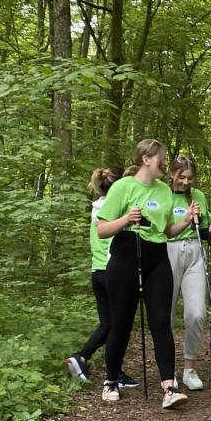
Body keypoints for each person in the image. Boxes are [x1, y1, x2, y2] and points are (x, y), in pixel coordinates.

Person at [96, 139, 192, 409]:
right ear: (146, 158)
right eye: (161, 157)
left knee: (161, 321)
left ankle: (168, 388)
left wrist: (184, 222)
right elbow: (102, 230)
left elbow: (166, 230)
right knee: (121, 323)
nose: (164, 162)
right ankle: (111, 381)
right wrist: (126, 219)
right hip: (126, 254)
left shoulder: (164, 191)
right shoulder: (123, 187)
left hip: (157, 257)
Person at [64, 167, 139, 390]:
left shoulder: (96, 208)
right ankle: (110, 371)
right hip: (112, 272)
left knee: (108, 323)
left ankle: (83, 359)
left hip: (97, 272)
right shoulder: (113, 211)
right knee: (119, 326)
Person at [166, 155, 211, 391]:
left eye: (190, 177)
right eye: (182, 176)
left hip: (194, 252)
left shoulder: (199, 196)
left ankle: (189, 368)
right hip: (166, 253)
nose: (186, 181)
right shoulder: (160, 193)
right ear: (171, 174)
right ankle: (167, 370)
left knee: (197, 313)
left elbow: (204, 231)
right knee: (164, 314)